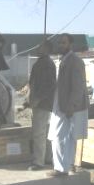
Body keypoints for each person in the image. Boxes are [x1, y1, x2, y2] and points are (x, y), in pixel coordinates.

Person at [47, 33, 88, 177]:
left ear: (71, 44)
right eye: (60, 43)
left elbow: (78, 87)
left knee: (59, 136)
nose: (61, 45)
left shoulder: (75, 61)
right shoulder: (64, 60)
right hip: (61, 105)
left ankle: (60, 168)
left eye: (64, 43)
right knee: (65, 136)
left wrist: (72, 106)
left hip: (68, 107)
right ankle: (68, 166)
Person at [24, 39, 56, 171]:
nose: (38, 48)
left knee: (39, 133)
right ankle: (48, 158)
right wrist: (28, 99)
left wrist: (37, 99)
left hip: (42, 104)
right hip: (41, 103)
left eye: (41, 46)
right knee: (46, 132)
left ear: (47, 49)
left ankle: (38, 162)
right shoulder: (41, 63)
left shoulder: (47, 64)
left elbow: (49, 85)